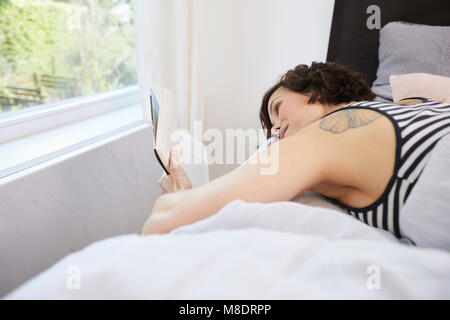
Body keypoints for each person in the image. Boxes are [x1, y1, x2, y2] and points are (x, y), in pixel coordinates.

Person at [143, 61, 450, 242]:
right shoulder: (417, 104)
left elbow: (163, 222)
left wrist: (178, 194)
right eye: (272, 127)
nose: (276, 131)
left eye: (278, 109)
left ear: (315, 92)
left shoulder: (331, 133)